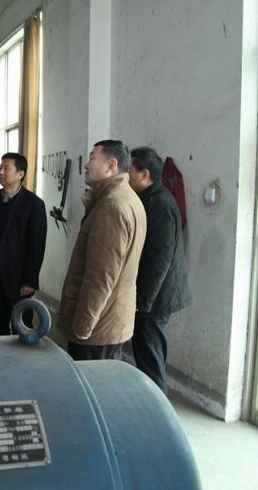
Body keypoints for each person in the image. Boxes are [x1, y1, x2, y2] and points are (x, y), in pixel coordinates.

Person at [57, 140, 146, 361]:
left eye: (92, 158)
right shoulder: (126, 198)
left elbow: (101, 276)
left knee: (89, 381)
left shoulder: (111, 207)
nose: (86, 164)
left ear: (111, 165)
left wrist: (83, 326)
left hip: (98, 328)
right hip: (110, 319)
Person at [128, 146, 192, 394]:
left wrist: (144, 301)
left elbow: (159, 258)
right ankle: (150, 403)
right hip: (152, 295)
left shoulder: (160, 204)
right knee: (146, 355)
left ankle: (157, 410)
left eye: (130, 170)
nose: (126, 175)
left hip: (156, 297)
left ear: (144, 174)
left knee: (151, 360)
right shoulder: (149, 198)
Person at [0, 152, 47, 336]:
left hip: (18, 276)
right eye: (0, 167)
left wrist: (30, 280)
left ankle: (23, 355)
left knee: (21, 326)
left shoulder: (33, 204)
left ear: (20, 174)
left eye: (6, 168)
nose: (0, 172)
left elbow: (37, 246)